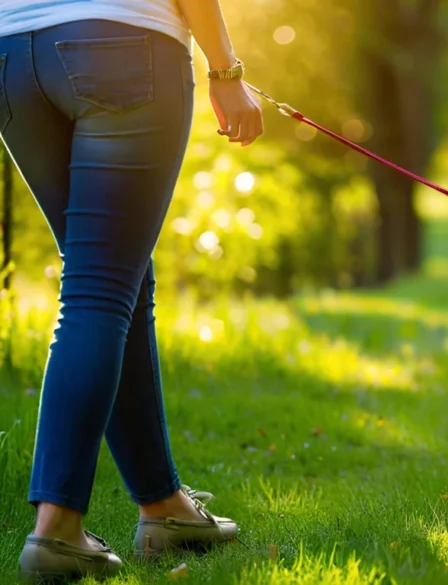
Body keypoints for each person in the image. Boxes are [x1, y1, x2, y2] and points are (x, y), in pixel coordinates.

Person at [0, 0, 264, 580]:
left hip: (13, 57)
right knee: (98, 290)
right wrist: (226, 72)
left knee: (120, 279)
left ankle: (163, 507)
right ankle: (56, 529)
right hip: (122, 47)